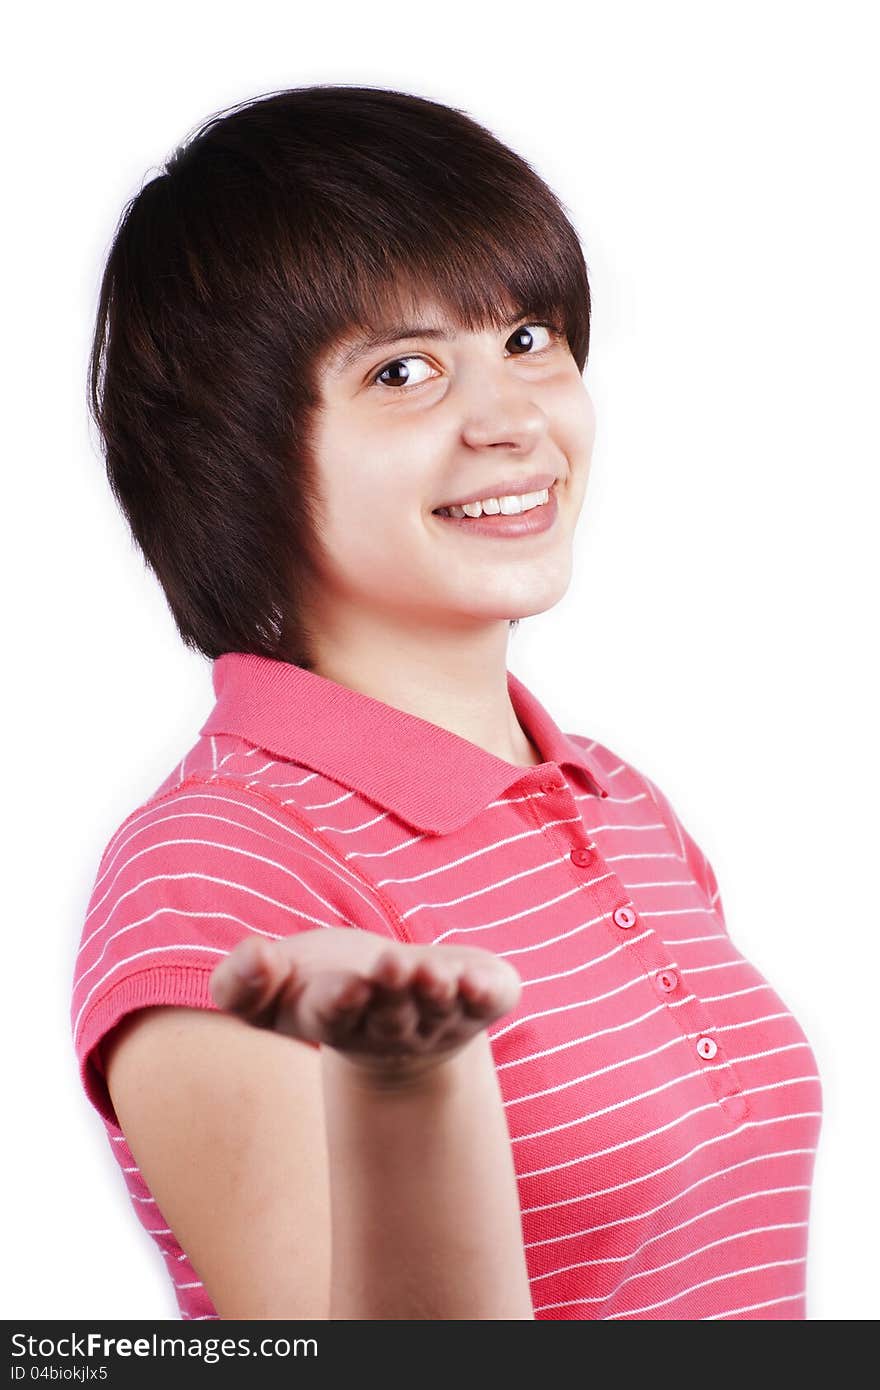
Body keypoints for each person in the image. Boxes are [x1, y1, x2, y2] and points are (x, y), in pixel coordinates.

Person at [70, 83, 823, 1321]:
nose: (511, 419)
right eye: (405, 371)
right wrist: (413, 1087)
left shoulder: (618, 798)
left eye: (529, 339)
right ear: (233, 451)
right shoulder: (213, 877)